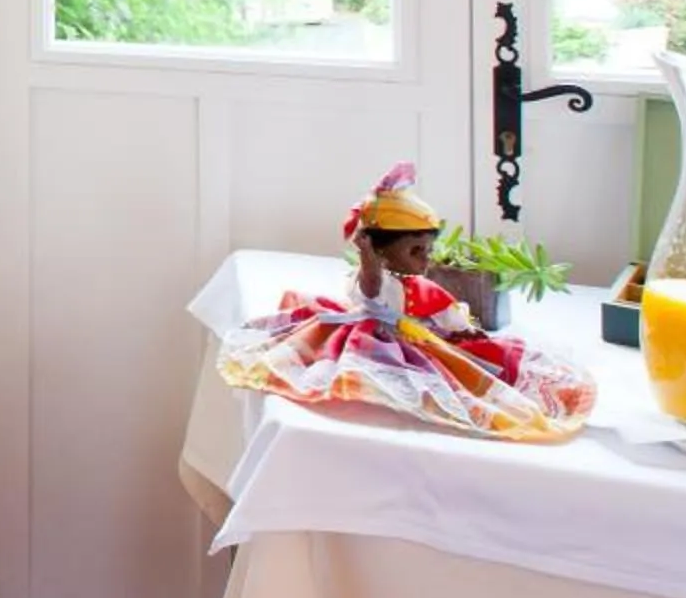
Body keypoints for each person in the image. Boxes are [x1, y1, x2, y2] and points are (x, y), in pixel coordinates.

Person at [219, 165, 595, 443]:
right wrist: (367, 258)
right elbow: (369, 289)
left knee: (484, 361)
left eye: (427, 250)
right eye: (416, 251)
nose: (425, 260)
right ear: (380, 250)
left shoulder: (417, 287)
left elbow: (443, 309)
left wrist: (458, 327)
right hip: (384, 336)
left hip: (416, 332)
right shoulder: (377, 281)